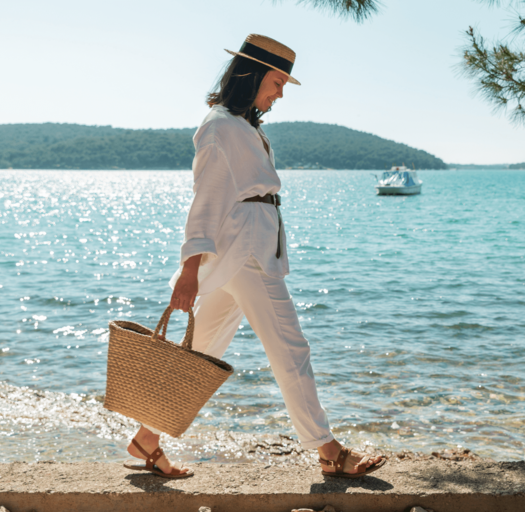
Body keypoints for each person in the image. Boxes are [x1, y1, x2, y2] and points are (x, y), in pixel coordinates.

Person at [124, 34, 385, 479]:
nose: (281, 92)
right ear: (253, 74)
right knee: (290, 348)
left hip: (245, 251)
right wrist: (189, 269)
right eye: (278, 82)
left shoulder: (244, 126)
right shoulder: (220, 127)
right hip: (243, 253)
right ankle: (327, 449)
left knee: (200, 352)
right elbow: (205, 199)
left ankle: (146, 437)